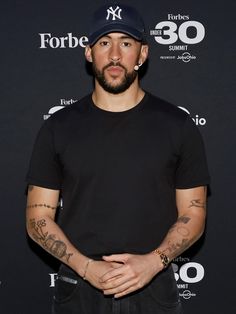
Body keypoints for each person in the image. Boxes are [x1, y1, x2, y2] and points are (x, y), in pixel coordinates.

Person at [25, 3, 210, 314]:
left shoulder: (178, 125)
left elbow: (194, 213)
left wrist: (153, 262)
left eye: (125, 43)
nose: (114, 55)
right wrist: (86, 267)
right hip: (78, 287)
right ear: (88, 53)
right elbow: (37, 219)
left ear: (142, 54)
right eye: (103, 43)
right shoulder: (58, 127)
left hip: (154, 284)